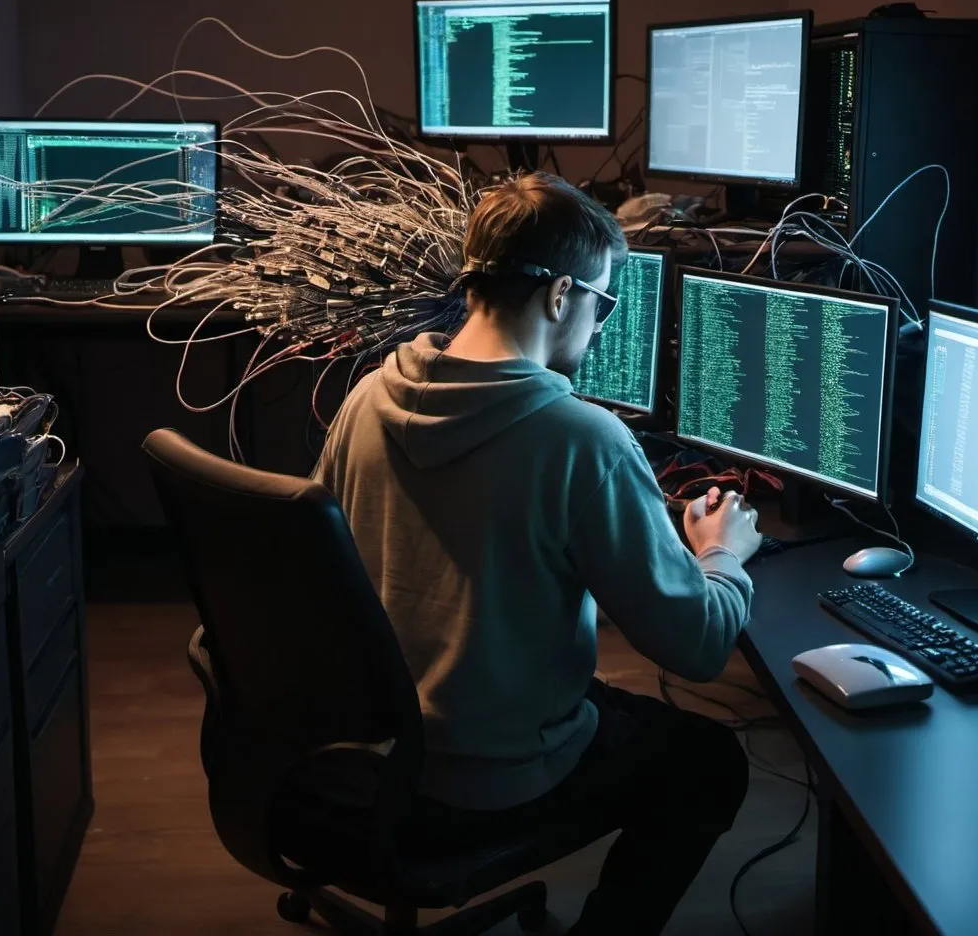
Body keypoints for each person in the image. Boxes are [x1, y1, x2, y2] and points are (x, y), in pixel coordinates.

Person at [312, 171, 762, 935]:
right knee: (708, 761)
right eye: (602, 303)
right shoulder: (583, 441)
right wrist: (721, 555)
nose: (598, 324)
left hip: (371, 754)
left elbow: (323, 576)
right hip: (487, 781)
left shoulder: (366, 399)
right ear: (561, 296)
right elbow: (697, 645)